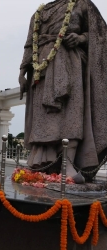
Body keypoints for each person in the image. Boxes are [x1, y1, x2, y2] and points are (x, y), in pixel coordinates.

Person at [19, 0, 107, 183]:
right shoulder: (40, 12)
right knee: (44, 117)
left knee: (71, 115)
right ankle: (45, 164)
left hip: (71, 64)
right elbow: (29, 44)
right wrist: (22, 73)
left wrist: (81, 38)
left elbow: (100, 35)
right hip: (41, 69)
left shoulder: (82, 4)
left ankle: (68, 163)